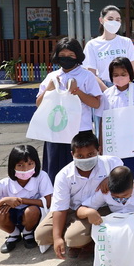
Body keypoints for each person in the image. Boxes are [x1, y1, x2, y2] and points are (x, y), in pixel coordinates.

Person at [34, 132, 123, 260]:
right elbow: (60, 208)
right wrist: (57, 238)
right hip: (71, 209)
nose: (85, 159)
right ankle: (76, 239)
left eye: (90, 154)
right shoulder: (63, 176)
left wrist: (111, 178)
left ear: (99, 150)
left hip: (98, 208)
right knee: (41, 235)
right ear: (72, 155)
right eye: (80, 156)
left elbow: (123, 174)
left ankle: (87, 243)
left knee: (74, 238)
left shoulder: (111, 162)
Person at [35, 37, 102, 183]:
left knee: (81, 169)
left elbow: (96, 103)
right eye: (62, 55)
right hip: (56, 131)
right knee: (54, 169)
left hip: (80, 131)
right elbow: (39, 103)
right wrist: (48, 89)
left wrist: (78, 92)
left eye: (71, 55)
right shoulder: (52, 76)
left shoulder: (86, 76)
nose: (66, 59)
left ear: (78, 56)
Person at [77, 166, 134, 258]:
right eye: (115, 197)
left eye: (125, 195)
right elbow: (80, 210)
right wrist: (89, 212)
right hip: (119, 224)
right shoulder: (105, 191)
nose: (120, 199)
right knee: (102, 231)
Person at [0, 145, 53, 253]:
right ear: (12, 166)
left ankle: (28, 232)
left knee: (32, 211)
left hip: (32, 218)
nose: (25, 169)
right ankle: (14, 234)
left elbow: (48, 202)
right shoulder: (3, 184)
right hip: (11, 218)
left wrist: (20, 200)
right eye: (20, 165)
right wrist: (3, 201)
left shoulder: (41, 176)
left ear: (36, 163)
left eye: (30, 164)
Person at [97, 57, 134, 181]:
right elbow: (102, 121)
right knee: (114, 177)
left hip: (132, 144)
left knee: (133, 176)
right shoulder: (106, 95)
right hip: (113, 144)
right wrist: (101, 143)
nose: (120, 77)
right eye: (115, 75)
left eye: (123, 74)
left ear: (130, 74)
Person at [83, 5, 134, 91]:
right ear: (101, 20)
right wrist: (108, 92)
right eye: (110, 19)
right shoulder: (92, 45)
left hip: (124, 86)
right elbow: (91, 74)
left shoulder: (126, 42)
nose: (114, 22)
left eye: (117, 19)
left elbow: (132, 70)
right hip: (102, 87)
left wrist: (122, 87)